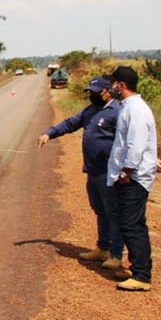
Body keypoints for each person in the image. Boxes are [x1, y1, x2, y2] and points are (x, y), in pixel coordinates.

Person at [38, 76, 123, 271]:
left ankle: (116, 254)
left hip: (109, 171)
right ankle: (102, 247)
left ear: (108, 91)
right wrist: (49, 133)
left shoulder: (117, 112)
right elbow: (70, 123)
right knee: (99, 210)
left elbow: (129, 139)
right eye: (90, 93)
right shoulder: (91, 111)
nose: (92, 96)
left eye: (96, 93)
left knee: (113, 212)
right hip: (92, 170)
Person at [106, 65, 158, 291]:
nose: (111, 88)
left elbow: (134, 144)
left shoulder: (135, 109)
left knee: (131, 225)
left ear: (121, 85)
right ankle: (141, 269)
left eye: (113, 83)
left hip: (134, 178)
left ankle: (141, 275)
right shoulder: (129, 107)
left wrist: (127, 171)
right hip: (132, 175)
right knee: (135, 223)